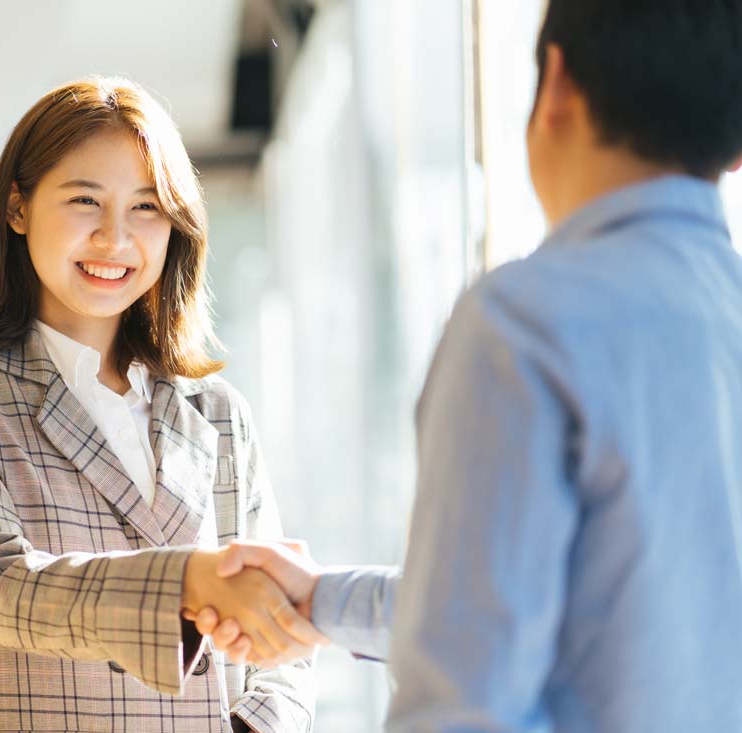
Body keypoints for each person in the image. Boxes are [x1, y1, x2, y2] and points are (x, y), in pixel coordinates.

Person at [193, 1, 742, 730]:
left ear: (556, 85)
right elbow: (568, 606)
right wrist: (320, 600)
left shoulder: (527, 324)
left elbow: (463, 697)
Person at [0, 77, 321, 733]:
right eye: (84, 200)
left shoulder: (216, 412)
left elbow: (281, 655)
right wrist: (189, 582)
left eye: (147, 208)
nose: (114, 238)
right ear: (18, 206)